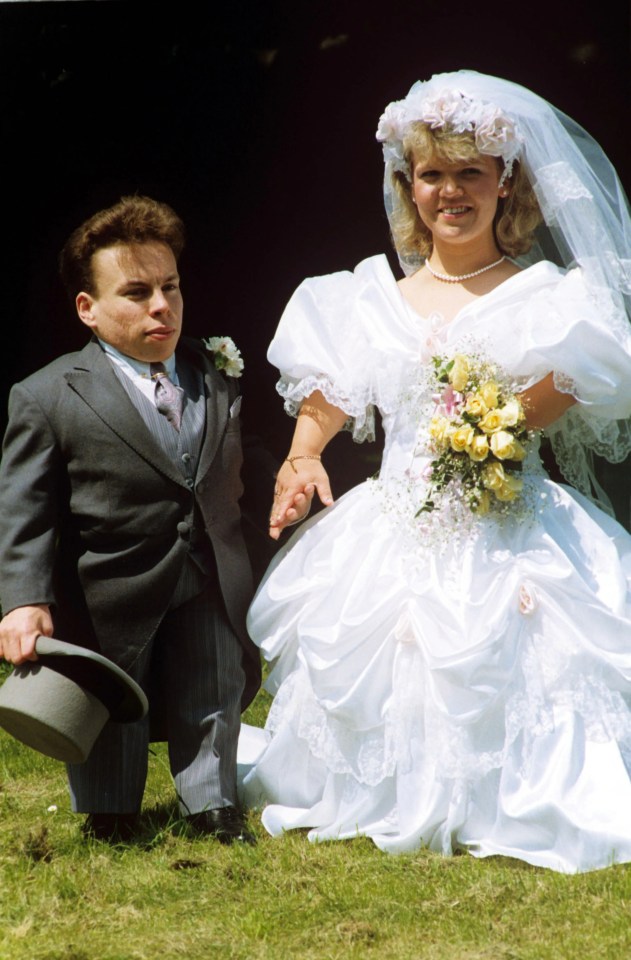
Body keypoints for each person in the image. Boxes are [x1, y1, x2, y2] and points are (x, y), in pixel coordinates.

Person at [241, 71, 631, 873]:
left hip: (510, 520)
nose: (448, 191)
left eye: (468, 173)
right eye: (431, 174)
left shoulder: (548, 293)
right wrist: (302, 453)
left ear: (503, 184)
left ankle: (530, 796)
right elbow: (331, 392)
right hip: (397, 520)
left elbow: (583, 372)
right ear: (406, 185)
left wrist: (508, 419)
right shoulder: (363, 298)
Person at [0, 195, 260, 844]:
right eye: (136, 293)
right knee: (115, 695)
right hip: (112, 584)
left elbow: (232, 465)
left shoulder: (213, 370)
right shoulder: (49, 394)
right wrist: (24, 599)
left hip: (207, 571)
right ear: (87, 309)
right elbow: (26, 507)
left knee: (213, 681)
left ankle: (213, 805)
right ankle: (111, 812)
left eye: (169, 287)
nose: (161, 306)